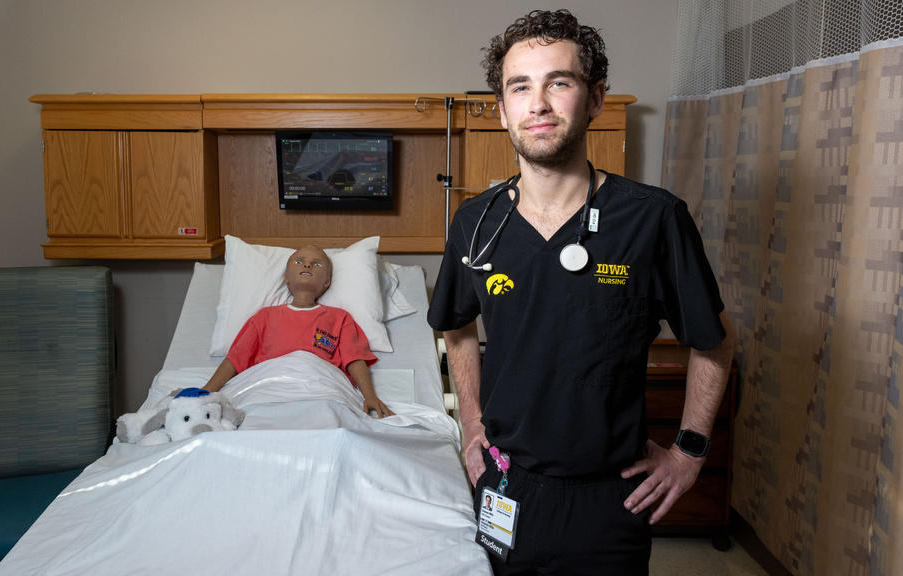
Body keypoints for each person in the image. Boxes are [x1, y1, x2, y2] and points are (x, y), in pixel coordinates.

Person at [427, 9, 735, 575]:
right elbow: (455, 324)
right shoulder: (475, 222)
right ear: (501, 109)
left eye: (558, 82)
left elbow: (713, 341)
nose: (538, 104)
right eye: (520, 87)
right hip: (505, 484)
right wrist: (471, 423)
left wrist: (690, 451)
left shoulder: (653, 219)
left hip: (609, 495)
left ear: (594, 99)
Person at [204, 244, 395, 418]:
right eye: (299, 262)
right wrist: (206, 391)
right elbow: (237, 358)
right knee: (256, 421)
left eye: (317, 264)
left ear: (327, 282)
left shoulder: (339, 318)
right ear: (286, 277)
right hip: (269, 387)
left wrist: (369, 396)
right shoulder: (265, 317)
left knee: (328, 418)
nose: (307, 266)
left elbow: (354, 360)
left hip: (321, 389)